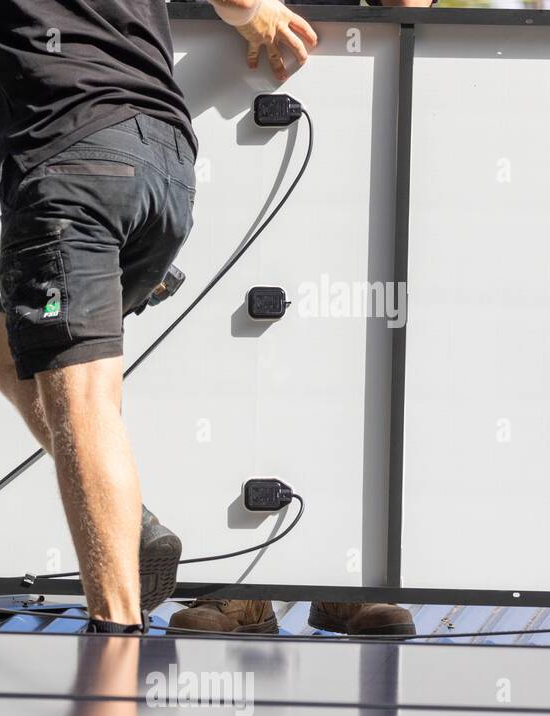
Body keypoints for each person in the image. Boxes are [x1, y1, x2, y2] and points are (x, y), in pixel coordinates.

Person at [0, 0, 317, 633]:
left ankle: (117, 634)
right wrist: (253, 12)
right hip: (165, 168)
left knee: (82, 405)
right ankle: (135, 519)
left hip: (69, 166)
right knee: (2, 346)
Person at [167, 0, 427, 638]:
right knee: (217, 348)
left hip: (344, 96)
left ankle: (342, 578)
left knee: (335, 356)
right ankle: (235, 588)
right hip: (209, 80)